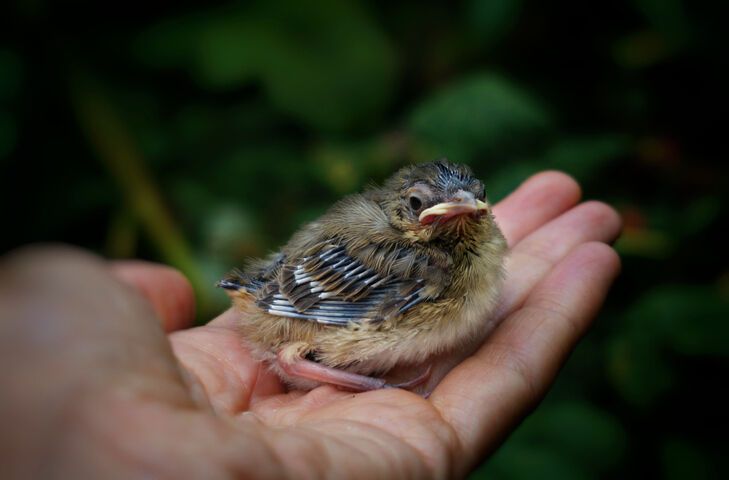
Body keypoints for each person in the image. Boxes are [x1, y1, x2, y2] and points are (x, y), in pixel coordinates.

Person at [0, 172, 621, 478]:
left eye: (468, 206)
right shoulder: (421, 264)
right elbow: (314, 304)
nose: (448, 218)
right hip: (292, 309)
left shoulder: (474, 252)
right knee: (302, 347)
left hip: (294, 284)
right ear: (402, 210)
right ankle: (301, 362)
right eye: (421, 208)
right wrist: (384, 389)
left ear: (482, 210)